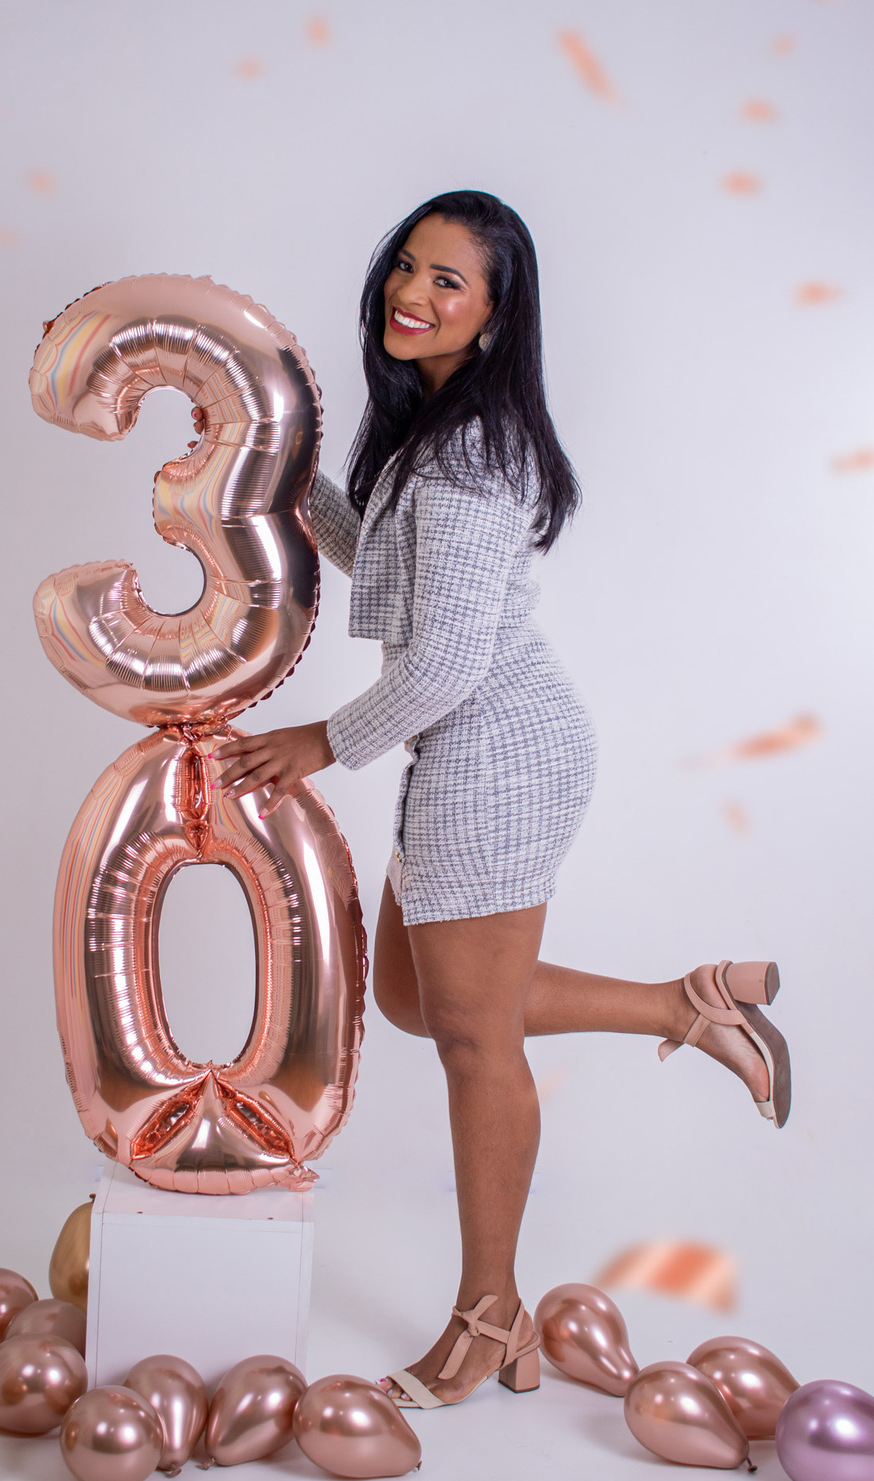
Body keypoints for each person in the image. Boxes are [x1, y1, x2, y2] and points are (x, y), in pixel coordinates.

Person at [212, 190, 790, 1409]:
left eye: (448, 282)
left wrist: (320, 741)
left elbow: (445, 663)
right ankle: (688, 1005)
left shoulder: (473, 453)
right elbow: (400, 575)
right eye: (407, 266)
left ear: (494, 314)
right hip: (465, 748)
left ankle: (489, 1316)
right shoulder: (437, 427)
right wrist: (286, 477)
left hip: (498, 756)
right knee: (417, 998)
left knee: (476, 1040)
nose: (411, 294)